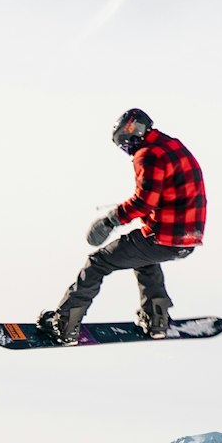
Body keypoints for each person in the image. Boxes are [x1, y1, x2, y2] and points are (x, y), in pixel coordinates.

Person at [38, 108, 207, 344]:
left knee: (98, 262)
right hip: (187, 240)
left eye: (124, 144)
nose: (127, 150)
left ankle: (65, 324)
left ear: (132, 135)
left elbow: (145, 201)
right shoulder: (172, 145)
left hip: (162, 237)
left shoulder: (147, 154)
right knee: (144, 258)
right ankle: (156, 320)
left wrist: (110, 221)